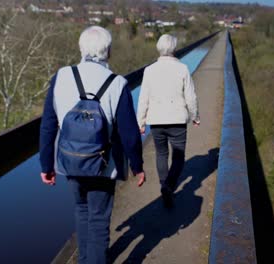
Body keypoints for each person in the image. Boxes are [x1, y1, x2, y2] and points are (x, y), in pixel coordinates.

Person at [39, 26, 146, 264]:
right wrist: (137, 166)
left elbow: (48, 125)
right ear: (108, 51)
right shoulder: (117, 83)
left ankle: (85, 259)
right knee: (98, 220)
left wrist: (46, 164)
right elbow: (129, 133)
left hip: (70, 160)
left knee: (81, 210)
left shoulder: (61, 76)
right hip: (103, 164)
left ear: (81, 48)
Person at [137, 34, 200, 208]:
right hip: (177, 120)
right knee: (178, 157)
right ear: (174, 48)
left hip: (156, 120)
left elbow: (143, 99)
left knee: (161, 154)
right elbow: (191, 97)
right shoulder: (183, 69)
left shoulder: (149, 70)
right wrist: (195, 116)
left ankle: (164, 185)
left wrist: (141, 122)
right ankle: (169, 186)